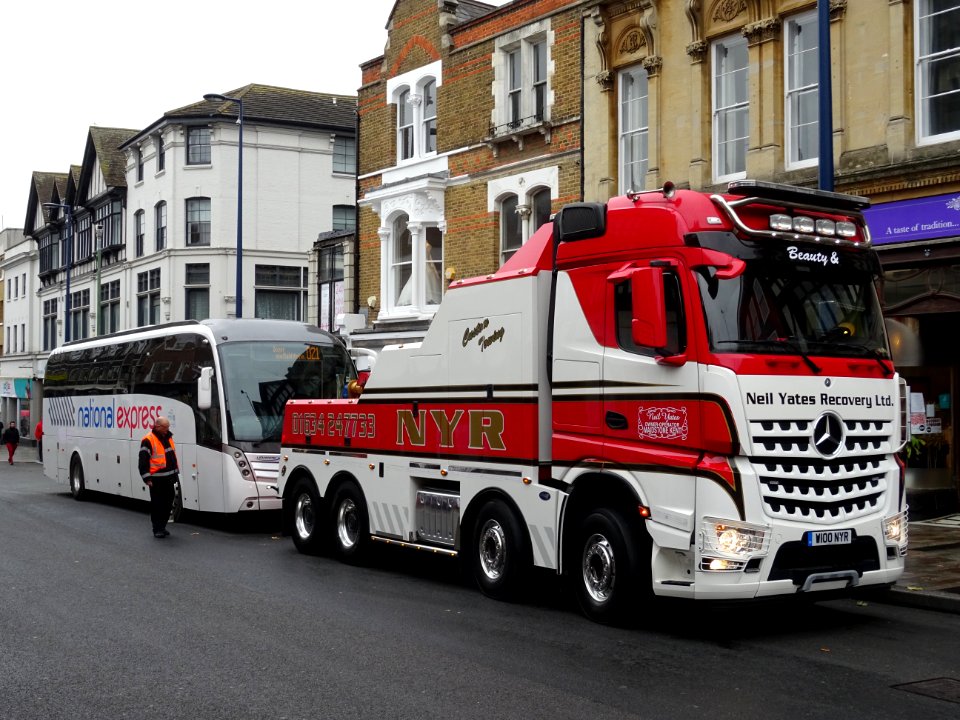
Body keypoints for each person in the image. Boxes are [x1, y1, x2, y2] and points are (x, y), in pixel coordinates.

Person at [139, 416, 179, 538]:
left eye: (168, 427)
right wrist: (147, 478)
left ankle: (162, 526)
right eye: (165, 428)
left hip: (169, 478)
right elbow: (143, 461)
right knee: (157, 504)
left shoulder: (168, 437)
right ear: (158, 426)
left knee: (168, 502)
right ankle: (157, 528)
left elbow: (171, 457)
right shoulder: (148, 440)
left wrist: (175, 474)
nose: (167, 430)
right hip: (156, 479)